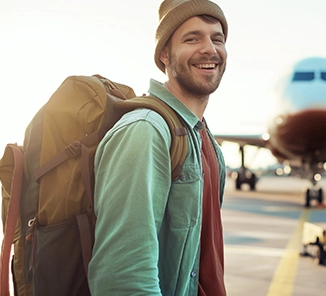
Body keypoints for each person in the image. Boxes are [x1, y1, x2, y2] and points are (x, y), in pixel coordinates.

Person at [88, 0, 229, 295]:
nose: (210, 49)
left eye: (217, 38)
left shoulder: (204, 140)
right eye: (192, 38)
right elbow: (123, 276)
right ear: (165, 54)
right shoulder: (146, 131)